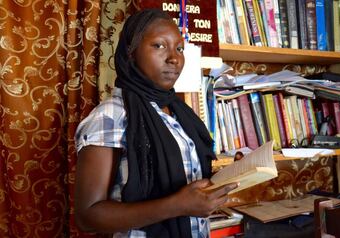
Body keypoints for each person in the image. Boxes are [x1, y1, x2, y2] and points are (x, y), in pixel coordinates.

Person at [74, 9, 238, 238]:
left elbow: (184, 179)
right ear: (131, 54)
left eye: (179, 48)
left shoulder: (179, 110)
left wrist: (234, 174)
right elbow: (87, 216)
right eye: (159, 45)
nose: (174, 58)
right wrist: (177, 205)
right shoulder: (110, 116)